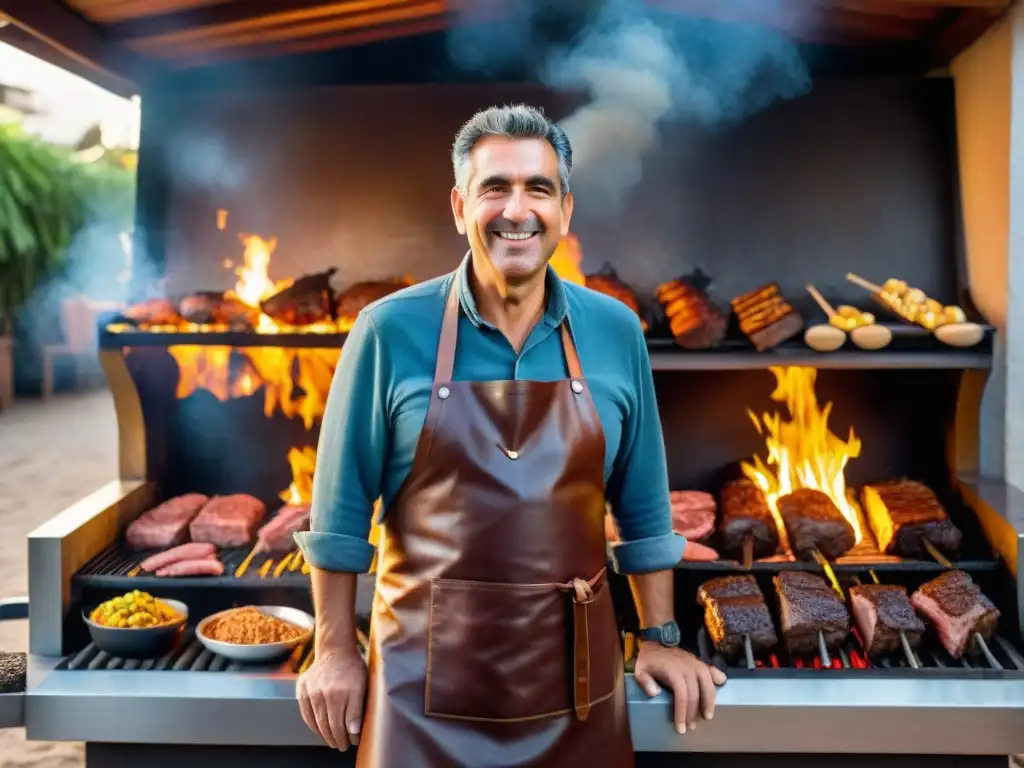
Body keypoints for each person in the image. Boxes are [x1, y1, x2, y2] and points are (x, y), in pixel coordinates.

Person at [294, 103, 726, 767]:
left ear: (565, 210)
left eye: (538, 188)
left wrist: (661, 635)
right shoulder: (387, 330)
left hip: (578, 689)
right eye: (496, 187)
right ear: (460, 205)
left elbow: (642, 505)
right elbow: (340, 513)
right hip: (417, 687)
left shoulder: (614, 331)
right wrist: (333, 649)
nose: (517, 209)